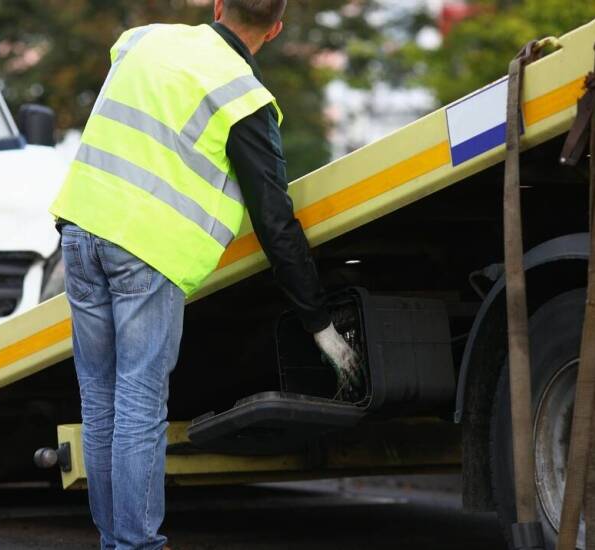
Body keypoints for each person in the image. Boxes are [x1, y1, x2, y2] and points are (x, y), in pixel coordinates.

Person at [49, 1, 362, 547]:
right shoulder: (243, 96)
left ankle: (114, 543)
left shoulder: (143, 40)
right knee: (140, 406)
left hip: (80, 229)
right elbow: (274, 219)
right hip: (145, 254)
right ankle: (134, 546)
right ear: (276, 29)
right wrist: (318, 322)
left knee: (99, 403)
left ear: (218, 5)